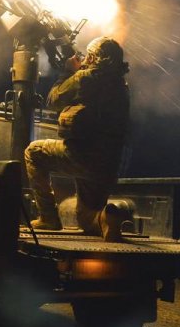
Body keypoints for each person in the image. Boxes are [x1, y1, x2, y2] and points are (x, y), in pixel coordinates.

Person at [24, 36, 130, 242]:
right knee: (85, 219)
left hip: (81, 156)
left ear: (92, 57)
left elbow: (53, 100)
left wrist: (68, 71)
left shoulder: (85, 78)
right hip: (108, 165)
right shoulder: (122, 86)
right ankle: (105, 219)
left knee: (34, 152)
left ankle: (48, 217)